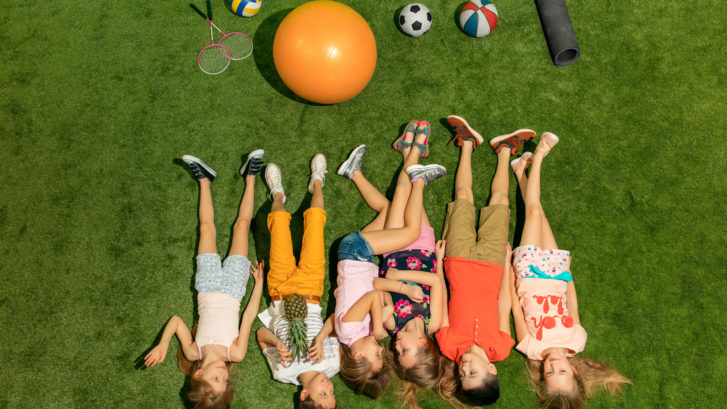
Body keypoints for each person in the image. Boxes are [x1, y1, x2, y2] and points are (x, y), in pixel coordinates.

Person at [509, 133, 631, 409]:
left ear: (541, 376)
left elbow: (516, 309)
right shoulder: (577, 340)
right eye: (561, 371)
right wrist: (568, 273)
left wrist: (508, 270)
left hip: (528, 273)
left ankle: (539, 155)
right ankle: (519, 170)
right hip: (556, 275)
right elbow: (572, 303)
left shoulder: (531, 348)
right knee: (539, 213)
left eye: (549, 374)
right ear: (574, 371)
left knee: (534, 214)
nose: (553, 366)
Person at [144, 151, 266, 409]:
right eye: (225, 380)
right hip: (234, 286)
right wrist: (259, 284)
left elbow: (177, 321)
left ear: (197, 375)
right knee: (242, 226)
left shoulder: (193, 352)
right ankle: (251, 177)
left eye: (216, 378)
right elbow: (248, 317)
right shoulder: (236, 354)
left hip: (207, 284)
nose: (224, 372)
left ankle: (204, 180)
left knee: (206, 228)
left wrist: (163, 344)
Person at [333, 121, 447, 399]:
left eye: (397, 354)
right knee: (406, 204)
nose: (395, 348)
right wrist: (438, 261)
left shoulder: (389, 324)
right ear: (423, 342)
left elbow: (379, 286)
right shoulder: (433, 322)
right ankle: (409, 152)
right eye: (403, 351)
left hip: (394, 254)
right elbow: (436, 281)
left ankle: (415, 154)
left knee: (401, 194)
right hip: (424, 252)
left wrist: (397, 281)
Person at [435, 115, 536, 406]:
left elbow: (441, 300)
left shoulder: (447, 346)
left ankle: (467, 143)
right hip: (493, 265)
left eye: (462, 375)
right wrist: (506, 267)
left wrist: (440, 262)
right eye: (473, 372)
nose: (464, 367)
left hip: (456, 259)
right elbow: (503, 303)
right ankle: (505, 150)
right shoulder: (502, 348)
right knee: (500, 202)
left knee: (463, 196)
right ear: (492, 369)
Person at [255, 154, 341, 409]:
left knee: (279, 223)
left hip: (280, 292)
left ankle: (277, 193)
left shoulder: (283, 372)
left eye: (323, 394)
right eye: (332, 393)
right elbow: (339, 322)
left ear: (304, 396)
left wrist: (276, 343)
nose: (328, 386)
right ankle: (317, 181)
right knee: (315, 221)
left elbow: (260, 335)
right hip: (311, 289)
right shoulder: (333, 364)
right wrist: (321, 339)